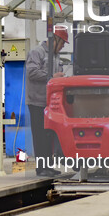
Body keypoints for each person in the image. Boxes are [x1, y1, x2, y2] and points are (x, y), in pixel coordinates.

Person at [26, 26, 68, 177]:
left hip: (50, 104)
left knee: (48, 135)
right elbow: (31, 72)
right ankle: (41, 168)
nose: (63, 46)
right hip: (37, 102)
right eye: (62, 43)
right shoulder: (37, 52)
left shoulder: (55, 56)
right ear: (55, 39)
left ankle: (48, 166)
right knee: (39, 135)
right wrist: (52, 76)